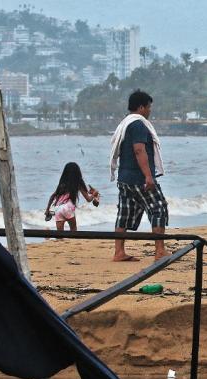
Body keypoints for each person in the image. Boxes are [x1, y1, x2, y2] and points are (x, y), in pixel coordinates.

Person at [109, 90, 169, 261]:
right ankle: (159, 251)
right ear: (141, 107)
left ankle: (119, 252)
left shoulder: (125, 124)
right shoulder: (138, 125)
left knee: (124, 213)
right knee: (159, 208)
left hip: (124, 178)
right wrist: (149, 176)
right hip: (138, 177)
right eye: (149, 107)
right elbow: (139, 150)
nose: (150, 111)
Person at [44, 162, 99, 232]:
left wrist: (47, 210)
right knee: (73, 231)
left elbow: (52, 196)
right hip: (68, 208)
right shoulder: (78, 182)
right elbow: (88, 199)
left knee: (60, 235)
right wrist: (94, 194)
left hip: (58, 209)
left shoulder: (62, 183)